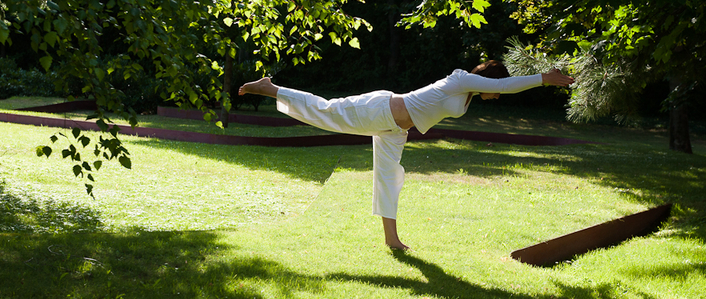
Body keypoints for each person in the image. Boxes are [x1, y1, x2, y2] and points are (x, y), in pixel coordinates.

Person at [239, 60, 574, 250]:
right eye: (495, 89)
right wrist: (544, 78)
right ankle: (271, 88)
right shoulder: (462, 80)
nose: (498, 96)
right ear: (488, 81)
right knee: (328, 111)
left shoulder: (470, 93)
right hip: (380, 109)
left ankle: (392, 240)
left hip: (395, 129)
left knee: (389, 178)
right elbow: (504, 86)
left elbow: (500, 89)